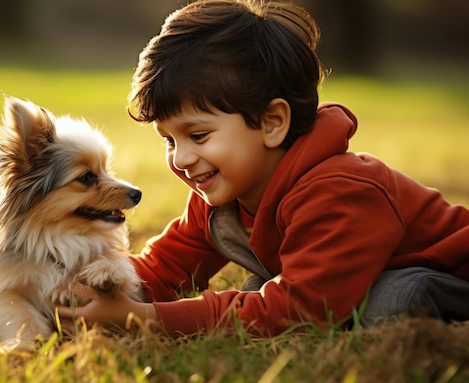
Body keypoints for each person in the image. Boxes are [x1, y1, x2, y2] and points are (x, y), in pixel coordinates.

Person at [56, 0, 469, 337]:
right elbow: (166, 268)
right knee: (259, 292)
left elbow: (302, 310)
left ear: (272, 123)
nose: (180, 159)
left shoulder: (341, 189)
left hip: (448, 278)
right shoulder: (221, 194)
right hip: (338, 287)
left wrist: (145, 319)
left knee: (388, 301)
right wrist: (82, 294)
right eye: (169, 140)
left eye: (198, 136)